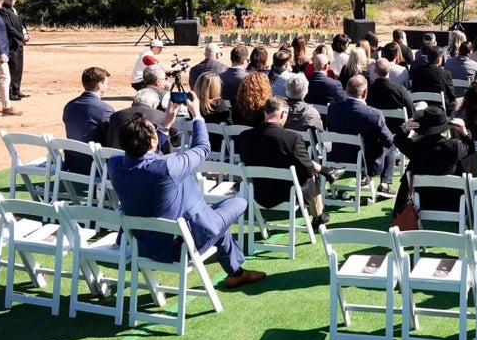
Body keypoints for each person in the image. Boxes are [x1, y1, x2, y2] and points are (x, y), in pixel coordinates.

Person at [106, 97, 265, 290]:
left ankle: (236, 273)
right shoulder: (167, 167)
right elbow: (203, 148)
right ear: (152, 141)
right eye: (153, 130)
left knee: (211, 219)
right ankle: (236, 271)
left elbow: (141, 154)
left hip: (143, 244)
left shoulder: (114, 164)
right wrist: (197, 115)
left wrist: (165, 126)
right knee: (239, 201)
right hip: (179, 248)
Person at [234, 96, 328, 231]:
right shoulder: (292, 138)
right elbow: (307, 170)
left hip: (258, 192)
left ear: (265, 112)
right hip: (287, 194)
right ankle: (318, 216)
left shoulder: (244, 136)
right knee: (311, 174)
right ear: (283, 114)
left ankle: (326, 173)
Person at [392, 106, 475, 213]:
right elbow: (470, 147)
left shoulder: (414, 148)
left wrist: (405, 128)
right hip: (451, 202)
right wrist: (464, 131)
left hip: (421, 202)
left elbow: (398, 140)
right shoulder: (454, 147)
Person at [327, 75, 396, 194]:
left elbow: (330, 128)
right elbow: (389, 141)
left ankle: (365, 177)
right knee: (392, 144)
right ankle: (384, 183)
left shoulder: (333, 109)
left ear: (346, 91)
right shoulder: (374, 114)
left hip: (339, 156)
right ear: (365, 93)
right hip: (366, 160)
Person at [61, 67, 115, 174]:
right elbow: (111, 137)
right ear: (99, 84)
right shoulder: (105, 109)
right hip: (95, 165)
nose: (107, 87)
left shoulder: (69, 106)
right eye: (106, 83)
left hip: (72, 164)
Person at [104, 85, 174, 153]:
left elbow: (109, 143)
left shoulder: (115, 116)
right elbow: (167, 148)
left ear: (134, 102)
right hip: (150, 158)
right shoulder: (162, 117)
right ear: (153, 105)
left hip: (118, 158)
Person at [0, 0, 30, 100]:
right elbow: (9, 28)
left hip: (19, 43)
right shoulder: (3, 10)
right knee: (12, 68)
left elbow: (20, 25)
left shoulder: (14, 10)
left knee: (18, 68)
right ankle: (10, 92)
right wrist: (22, 36)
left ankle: (16, 90)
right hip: (11, 43)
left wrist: (26, 34)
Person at [410, 45, 457, 113]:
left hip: (420, 108)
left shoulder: (416, 71)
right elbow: (452, 95)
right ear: (438, 59)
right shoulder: (445, 73)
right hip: (440, 109)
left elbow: (414, 89)